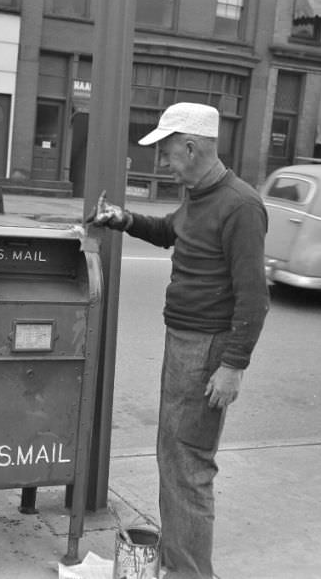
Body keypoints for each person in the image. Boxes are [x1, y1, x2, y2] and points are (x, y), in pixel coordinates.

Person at [88, 103, 269, 578]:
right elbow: (173, 232)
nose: (165, 164)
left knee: (188, 464)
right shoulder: (198, 194)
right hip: (184, 342)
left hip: (208, 348)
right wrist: (124, 220)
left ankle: (190, 573)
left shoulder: (241, 205)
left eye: (168, 154)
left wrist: (232, 367)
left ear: (191, 148)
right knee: (174, 455)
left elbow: (254, 298)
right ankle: (176, 560)